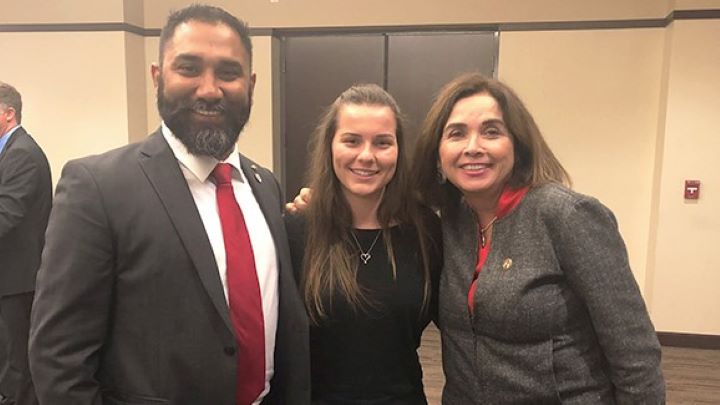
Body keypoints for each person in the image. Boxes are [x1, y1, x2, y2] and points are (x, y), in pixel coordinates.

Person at [28, 5, 309, 404]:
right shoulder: (98, 188)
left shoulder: (266, 186)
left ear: (251, 83)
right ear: (158, 77)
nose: (209, 89)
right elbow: (58, 360)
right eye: (189, 68)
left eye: (228, 73)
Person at [412, 72, 665, 404]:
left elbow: (635, 355)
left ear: (518, 143)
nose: (473, 147)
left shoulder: (567, 216)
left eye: (491, 132)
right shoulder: (449, 222)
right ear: (438, 153)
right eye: (456, 134)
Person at [285, 84, 441, 404]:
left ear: (398, 149)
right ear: (331, 146)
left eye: (382, 142)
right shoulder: (295, 231)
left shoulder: (427, 231)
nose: (366, 156)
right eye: (352, 140)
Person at [0, 82, 51, 405]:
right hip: (10, 279)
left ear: (8, 113)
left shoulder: (22, 154)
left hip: (17, 281)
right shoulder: (11, 152)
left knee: (16, 364)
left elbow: (6, 214)